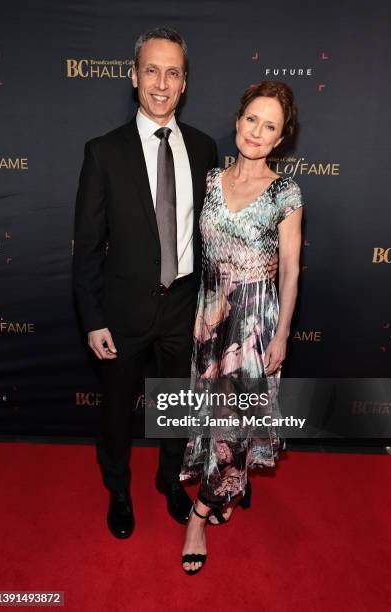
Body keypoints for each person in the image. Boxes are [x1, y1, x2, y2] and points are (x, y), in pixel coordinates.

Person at [73, 27, 277, 540]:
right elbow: (86, 245)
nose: (161, 83)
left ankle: (170, 481)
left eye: (172, 72)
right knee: (118, 411)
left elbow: (222, 228)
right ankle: (118, 490)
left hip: (187, 307)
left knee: (175, 406)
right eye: (151, 70)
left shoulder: (206, 148)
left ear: (184, 82)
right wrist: (93, 317)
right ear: (133, 75)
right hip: (121, 311)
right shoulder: (102, 152)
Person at [179, 81, 304, 574]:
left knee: (235, 425)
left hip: (254, 324)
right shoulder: (209, 180)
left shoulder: (285, 192)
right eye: (252, 119)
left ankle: (197, 518)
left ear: (280, 139)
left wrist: (283, 333)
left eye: (269, 125)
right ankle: (227, 487)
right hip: (209, 317)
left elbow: (291, 269)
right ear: (237, 122)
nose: (257, 131)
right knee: (214, 423)